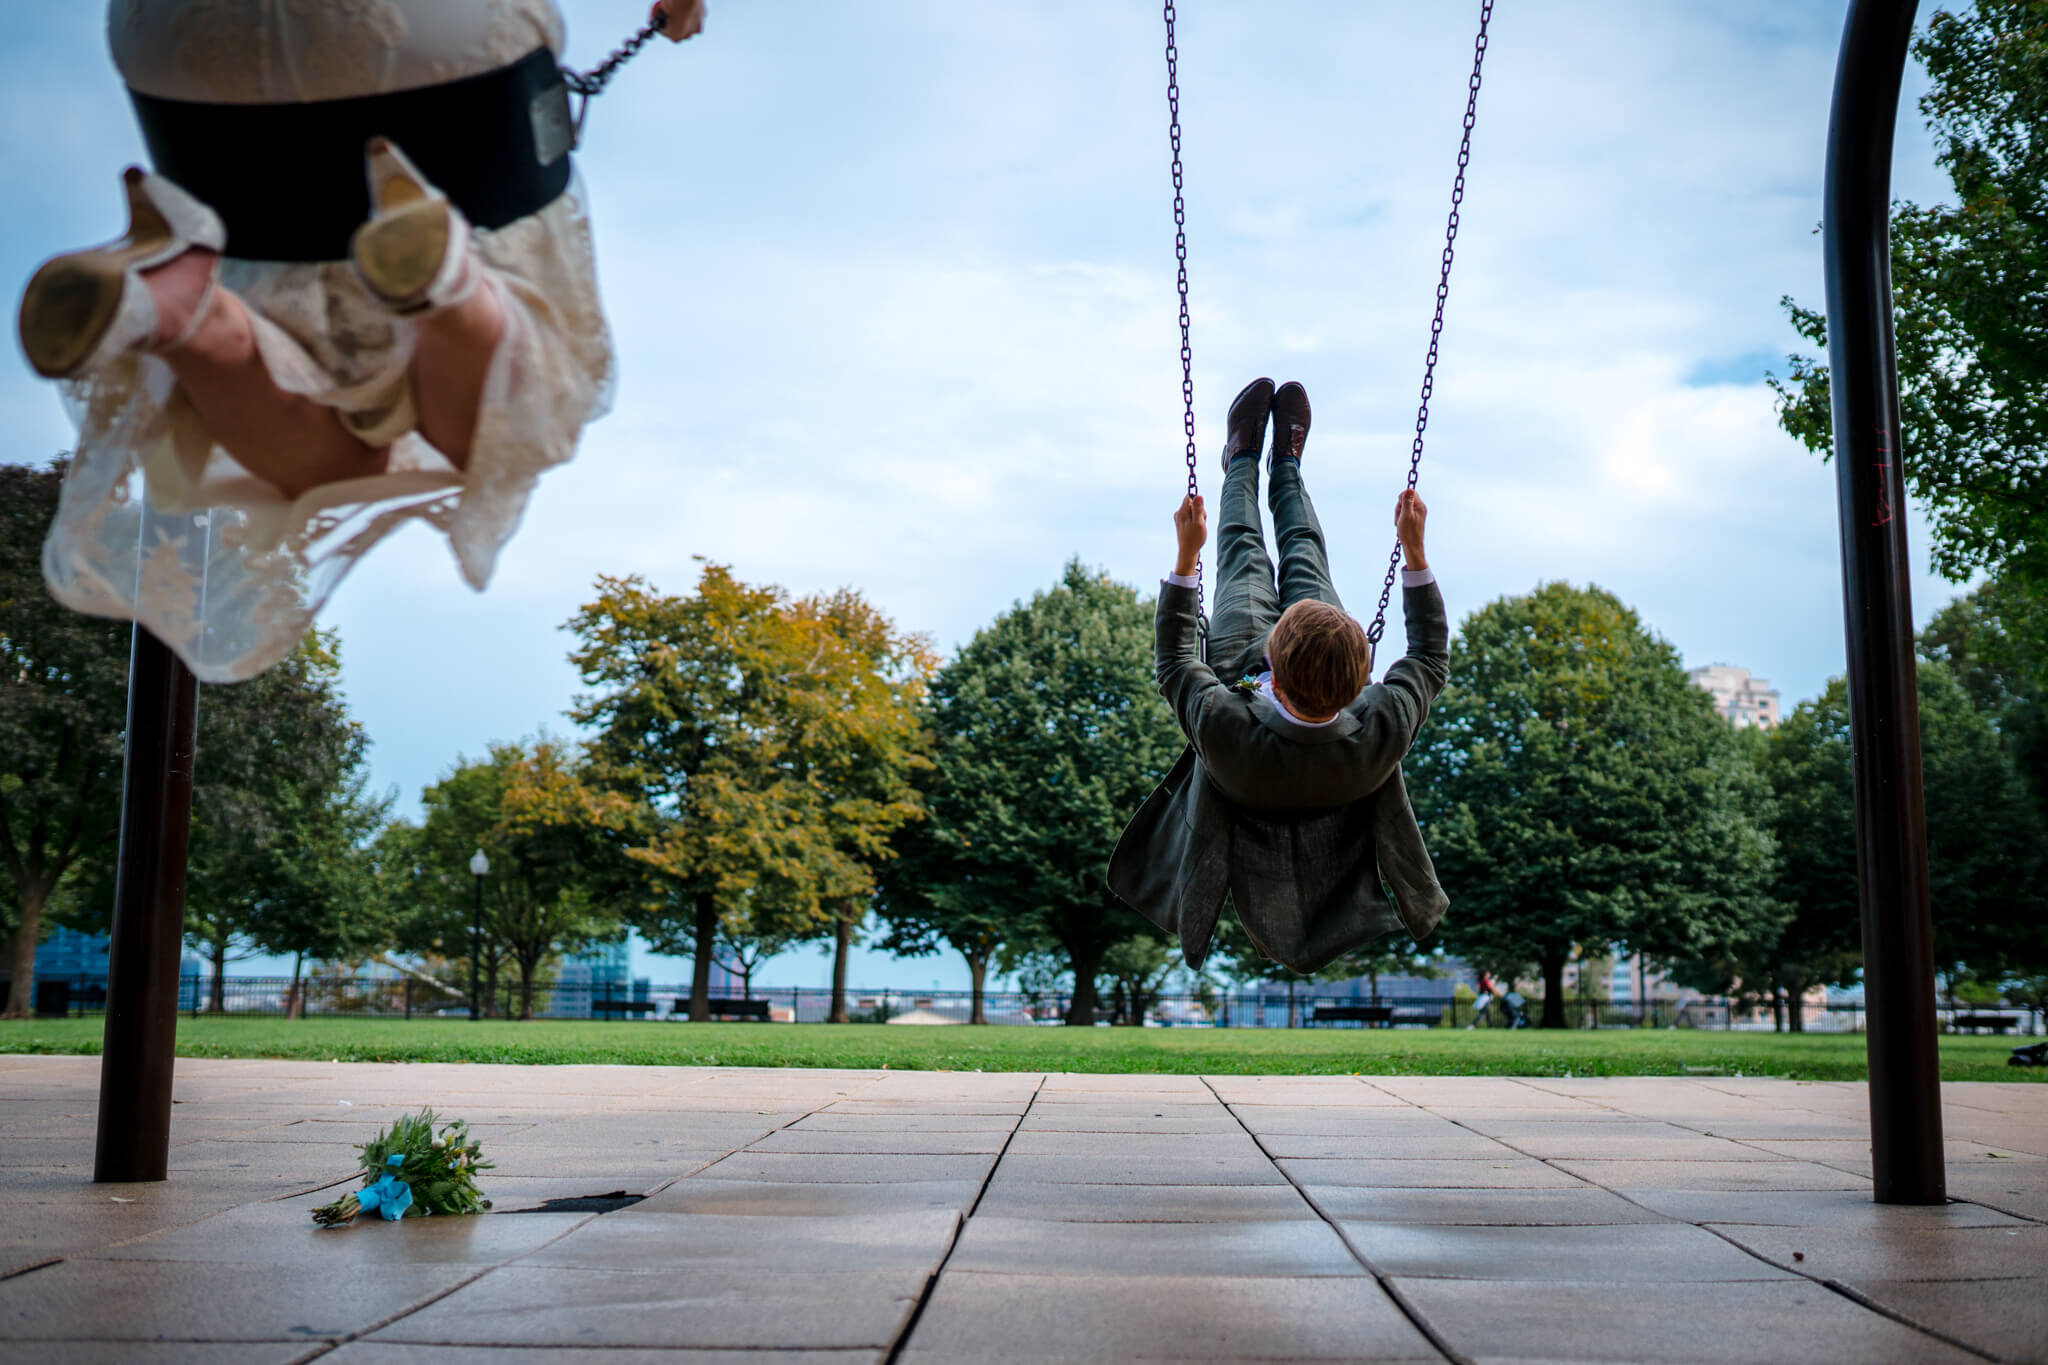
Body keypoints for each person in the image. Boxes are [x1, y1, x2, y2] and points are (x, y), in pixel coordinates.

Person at [17, 0, 704, 682]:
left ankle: (183, 311)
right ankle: (447, 280)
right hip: (426, 38)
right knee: (482, 438)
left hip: (184, 48)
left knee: (323, 434)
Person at [1108, 377, 1450, 973]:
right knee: (1304, 547)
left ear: (1280, 667)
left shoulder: (1225, 728)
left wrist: (1188, 557)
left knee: (1242, 546)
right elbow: (1428, 658)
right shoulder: (1380, 728)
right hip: (1309, 660)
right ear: (1359, 683)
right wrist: (1415, 555)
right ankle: (1286, 465)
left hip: (1240, 653)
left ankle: (1240, 456)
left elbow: (1176, 664)